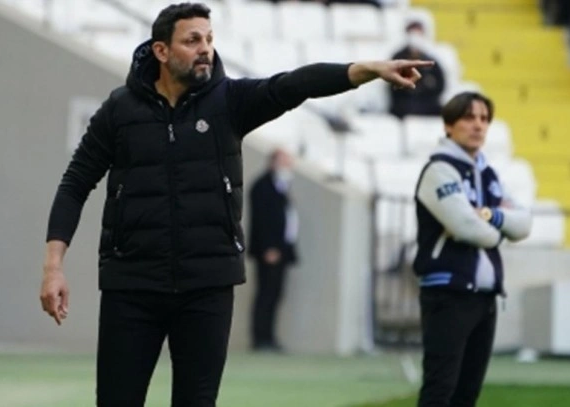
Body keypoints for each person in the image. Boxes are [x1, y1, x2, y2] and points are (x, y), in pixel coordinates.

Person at [39, 2, 432, 405]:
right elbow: (74, 184)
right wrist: (54, 267)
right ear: (161, 50)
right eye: (193, 40)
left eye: (209, 39)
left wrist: (368, 70)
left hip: (207, 287)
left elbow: (294, 85)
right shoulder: (119, 110)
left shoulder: (229, 101)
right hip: (132, 284)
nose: (205, 49)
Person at [413, 92, 532, 407]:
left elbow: (524, 224)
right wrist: (499, 232)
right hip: (448, 293)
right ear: (449, 125)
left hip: (484, 297)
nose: (478, 125)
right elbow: (466, 226)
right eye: (468, 118)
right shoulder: (439, 170)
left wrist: (491, 216)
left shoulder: (488, 173)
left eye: (484, 119)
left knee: (467, 393)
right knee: (440, 388)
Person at [248, 149, 298, 352]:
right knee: (266, 294)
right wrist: (268, 247)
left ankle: (269, 337)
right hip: (269, 252)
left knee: (275, 294)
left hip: (281, 251)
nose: (288, 166)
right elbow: (262, 220)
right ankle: (260, 338)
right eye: (284, 161)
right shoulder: (262, 186)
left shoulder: (281, 186)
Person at [389, 21, 446, 119]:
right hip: (404, 103)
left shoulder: (430, 60)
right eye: (413, 34)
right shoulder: (398, 58)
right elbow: (392, 85)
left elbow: (440, 85)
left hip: (426, 103)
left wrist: (426, 88)